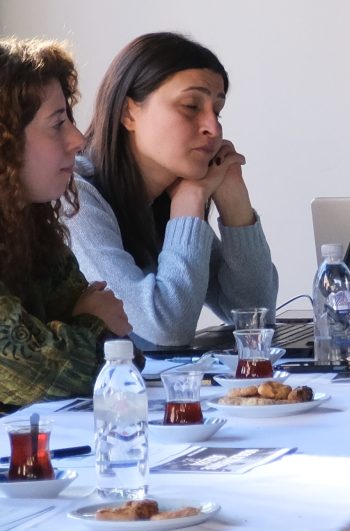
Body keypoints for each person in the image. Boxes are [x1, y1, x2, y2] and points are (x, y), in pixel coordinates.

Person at [66, 34, 277, 350]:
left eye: (217, 111)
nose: (213, 128)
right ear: (128, 113)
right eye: (191, 106)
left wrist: (235, 202)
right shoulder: (74, 197)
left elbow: (254, 314)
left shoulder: (166, 197)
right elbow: (165, 330)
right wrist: (190, 204)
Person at [0, 40, 128, 408]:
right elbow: (38, 373)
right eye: (58, 124)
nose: (78, 139)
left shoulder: (30, 229)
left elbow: (120, 348)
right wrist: (89, 323)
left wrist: (81, 328)